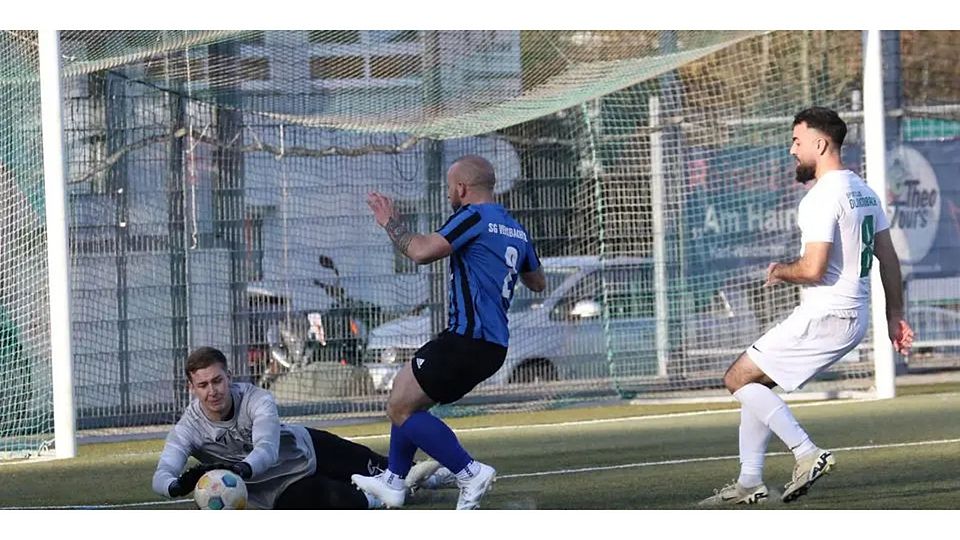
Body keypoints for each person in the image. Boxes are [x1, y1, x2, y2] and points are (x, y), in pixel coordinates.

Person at [700, 107, 915, 506]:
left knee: (737, 379)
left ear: (821, 143)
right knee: (755, 383)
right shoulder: (864, 190)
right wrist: (895, 316)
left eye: (797, 141)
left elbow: (814, 268)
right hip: (852, 316)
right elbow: (890, 258)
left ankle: (806, 452)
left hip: (828, 314)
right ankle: (750, 482)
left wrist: (780, 270)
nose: (791, 149)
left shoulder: (821, 197)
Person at [351, 155, 546, 510]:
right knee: (405, 397)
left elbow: (422, 251)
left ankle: (469, 471)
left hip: (466, 338)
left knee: (400, 407)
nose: (447, 195)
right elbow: (537, 281)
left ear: (462, 188)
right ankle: (394, 481)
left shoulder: (472, 216)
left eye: (449, 188)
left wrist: (390, 222)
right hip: (492, 344)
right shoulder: (514, 227)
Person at [152, 346, 452, 509]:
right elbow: (162, 474)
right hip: (277, 489)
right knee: (339, 500)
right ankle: (386, 498)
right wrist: (176, 486)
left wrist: (240, 469)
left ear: (228, 376)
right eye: (202, 385)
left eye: (217, 381)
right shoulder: (187, 428)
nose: (212, 391)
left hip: (309, 450)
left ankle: (443, 478)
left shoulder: (257, 399)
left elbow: (267, 451)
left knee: (387, 468)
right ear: (192, 388)